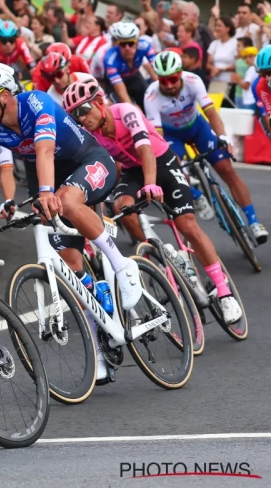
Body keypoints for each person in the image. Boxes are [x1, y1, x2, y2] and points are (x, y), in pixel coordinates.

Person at [0, 63, 143, 387]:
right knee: (71, 265)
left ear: (5, 96)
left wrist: (46, 193)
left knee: (69, 202)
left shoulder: (36, 103)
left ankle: (122, 265)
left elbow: (45, 150)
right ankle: (99, 342)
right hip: (50, 176)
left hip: (87, 160)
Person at [62, 77, 243, 323]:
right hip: (132, 171)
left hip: (162, 162)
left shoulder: (124, 112)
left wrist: (151, 183)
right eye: (75, 116)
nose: (81, 118)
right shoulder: (89, 135)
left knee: (186, 223)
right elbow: (102, 169)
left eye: (83, 110)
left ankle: (224, 292)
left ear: (99, 102)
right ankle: (154, 249)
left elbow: (145, 149)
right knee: (122, 206)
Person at [145, 51, 267, 242]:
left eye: (172, 79)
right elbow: (158, 139)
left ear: (180, 73)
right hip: (171, 135)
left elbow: (211, 113)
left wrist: (223, 138)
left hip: (196, 127)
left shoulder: (193, 80)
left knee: (226, 168)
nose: (168, 85)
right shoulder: (151, 96)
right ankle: (196, 194)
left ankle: (253, 221)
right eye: (163, 80)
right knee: (173, 168)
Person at [104, 21, 157, 109]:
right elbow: (122, 93)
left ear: (137, 42)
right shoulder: (110, 59)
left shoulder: (145, 46)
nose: (127, 48)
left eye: (131, 43)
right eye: (123, 44)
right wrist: (132, 108)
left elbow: (156, 72)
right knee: (126, 109)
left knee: (149, 101)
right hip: (115, 84)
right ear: (117, 44)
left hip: (134, 76)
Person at [207, 17, 237, 87]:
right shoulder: (214, 44)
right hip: (214, 81)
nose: (217, 28)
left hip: (229, 82)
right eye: (216, 25)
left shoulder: (235, 43)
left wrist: (222, 69)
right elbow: (208, 63)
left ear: (228, 28)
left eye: (219, 26)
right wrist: (213, 68)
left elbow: (237, 65)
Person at [252, 46, 271, 138]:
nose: (267, 78)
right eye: (263, 74)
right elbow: (268, 115)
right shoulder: (260, 86)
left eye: (270, 73)